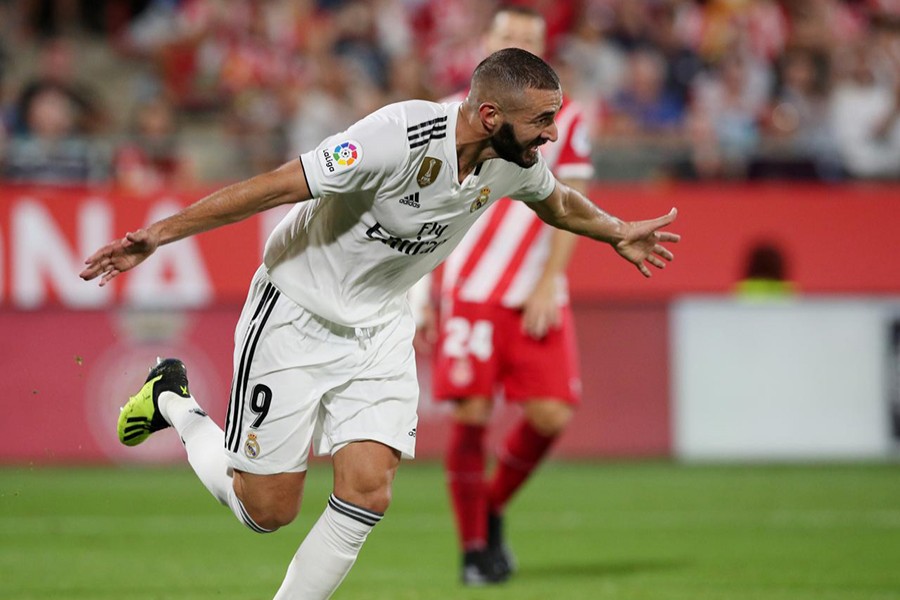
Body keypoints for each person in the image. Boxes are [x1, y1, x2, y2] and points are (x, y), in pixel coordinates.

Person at [80, 47, 679, 600]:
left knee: (368, 489)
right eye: (544, 120)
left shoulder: (512, 162)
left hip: (380, 328)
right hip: (295, 314)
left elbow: (559, 201)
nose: (551, 134)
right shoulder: (398, 137)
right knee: (265, 512)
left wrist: (616, 230)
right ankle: (173, 402)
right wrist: (156, 235)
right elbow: (277, 186)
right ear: (491, 114)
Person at [414, 6, 595, 586]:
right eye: (507, 36)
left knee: (550, 413)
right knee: (470, 416)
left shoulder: (565, 118)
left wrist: (549, 280)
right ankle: (473, 550)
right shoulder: (446, 117)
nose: (518, 42)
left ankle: (488, 505)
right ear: (488, 45)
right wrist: (423, 296)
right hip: (468, 289)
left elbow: (575, 203)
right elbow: (418, 214)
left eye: (529, 39)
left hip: (536, 291)